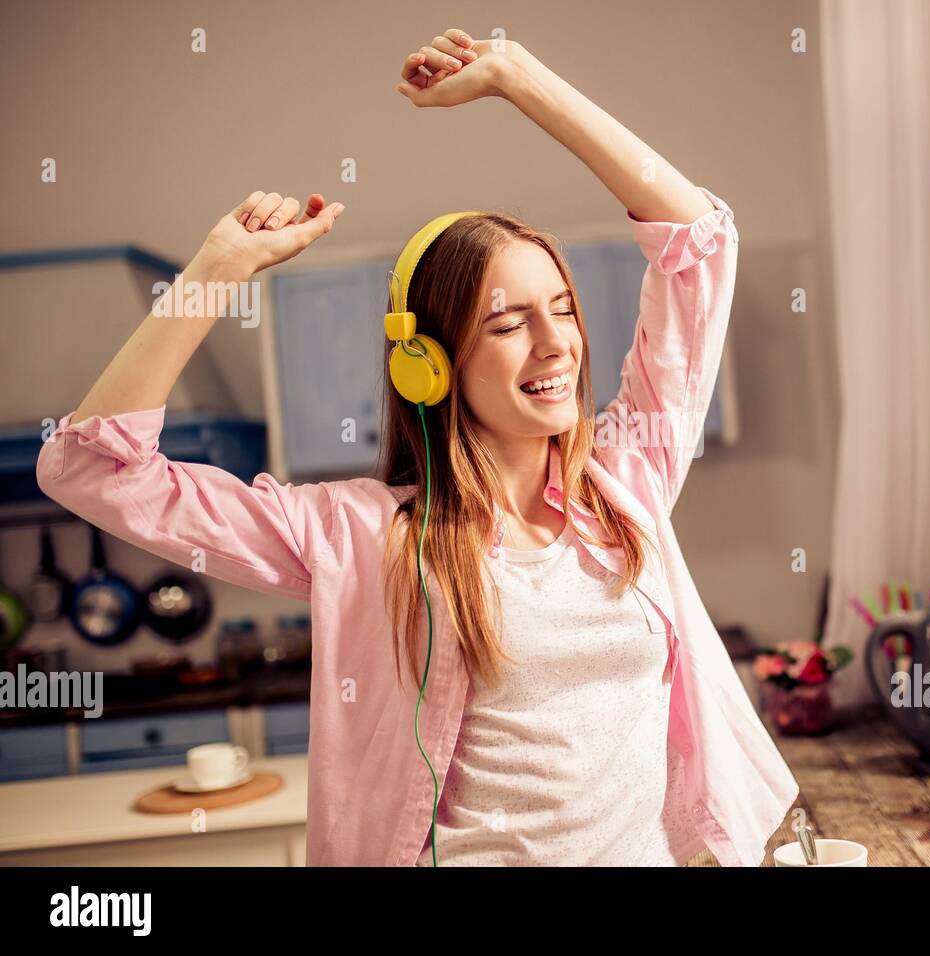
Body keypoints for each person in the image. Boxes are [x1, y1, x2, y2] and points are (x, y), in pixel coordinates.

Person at [36, 28, 798, 866]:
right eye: (508, 323)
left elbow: (700, 246)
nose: (556, 346)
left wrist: (518, 77)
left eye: (564, 310)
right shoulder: (363, 536)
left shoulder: (628, 481)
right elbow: (94, 470)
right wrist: (217, 268)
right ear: (429, 367)